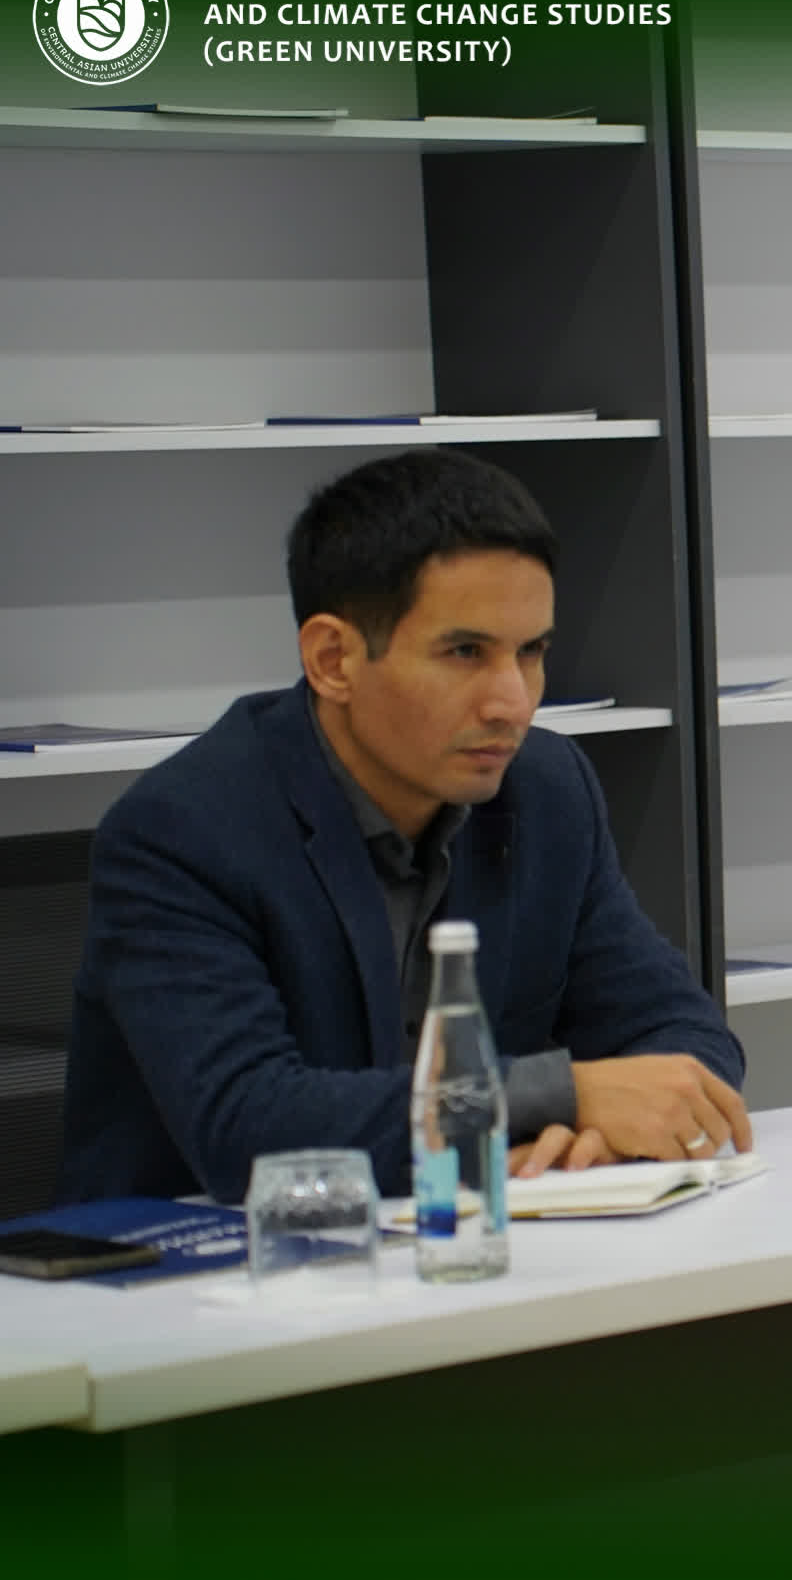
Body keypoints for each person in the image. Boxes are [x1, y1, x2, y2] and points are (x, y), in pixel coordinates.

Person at [58, 448, 750, 1204]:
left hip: (471, 1236)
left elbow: (682, 1035)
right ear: (333, 660)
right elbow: (247, 1127)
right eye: (464, 652)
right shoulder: (182, 831)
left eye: (532, 652)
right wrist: (556, 1097)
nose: (513, 702)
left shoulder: (548, 791)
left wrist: (602, 1132)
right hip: (221, 1260)